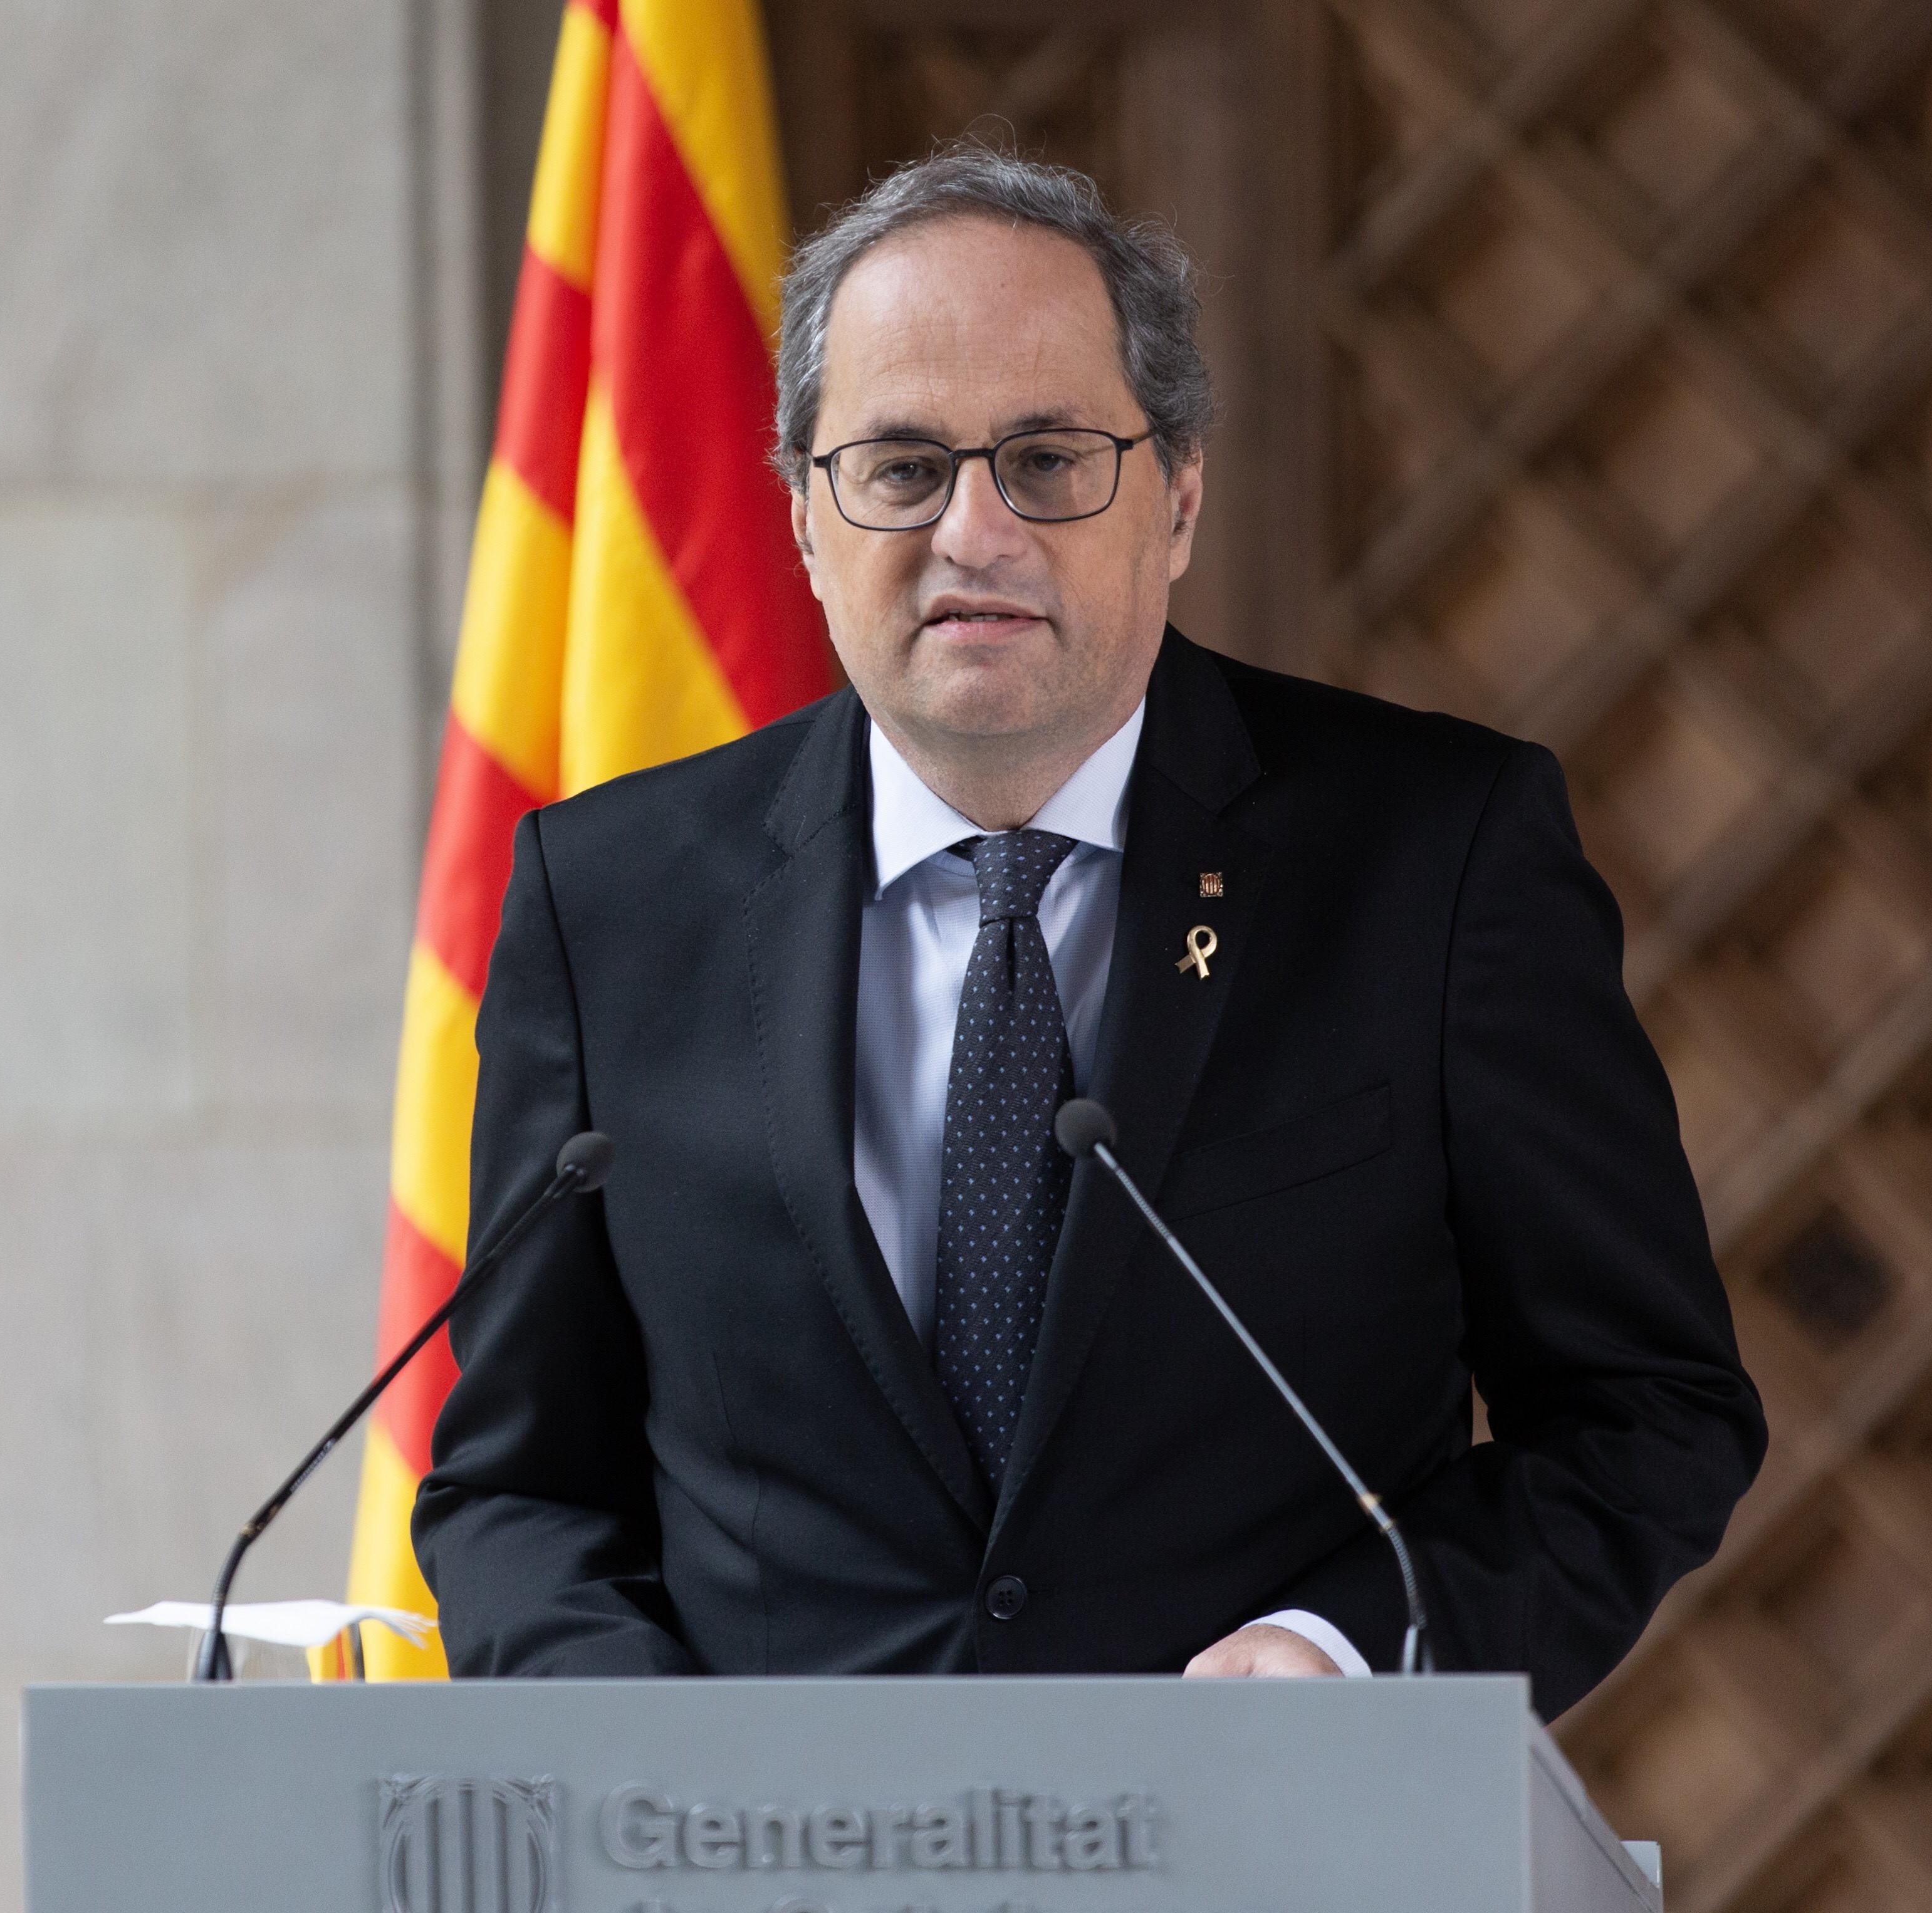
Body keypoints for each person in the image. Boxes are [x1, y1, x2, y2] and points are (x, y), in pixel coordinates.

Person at [414, 145, 1762, 1710]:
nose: (975, 533)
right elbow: (519, 1488)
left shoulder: (1437, 858)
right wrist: (656, 1772)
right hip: (766, 1912)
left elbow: (1645, 1411)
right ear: (800, 520)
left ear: (1178, 500)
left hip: (1275, 1871)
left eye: (1049, 461)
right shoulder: (611, 898)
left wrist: (1348, 1649)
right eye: (902, 468)